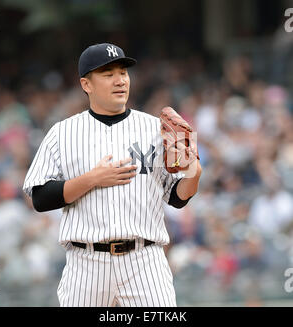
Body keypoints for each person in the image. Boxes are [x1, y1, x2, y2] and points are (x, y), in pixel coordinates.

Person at [23, 43, 202, 307]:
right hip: (87, 262)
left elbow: (177, 198)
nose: (120, 81)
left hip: (144, 260)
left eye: (123, 73)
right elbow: (40, 198)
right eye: (108, 75)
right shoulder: (62, 133)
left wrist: (194, 173)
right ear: (87, 84)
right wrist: (93, 179)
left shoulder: (154, 128)